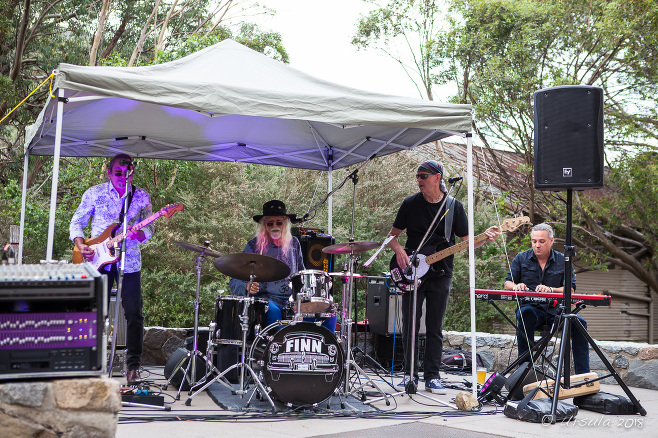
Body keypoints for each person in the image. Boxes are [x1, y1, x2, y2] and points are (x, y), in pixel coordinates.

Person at [387, 160, 500, 394]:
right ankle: (409, 375)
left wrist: (485, 238)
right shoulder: (410, 204)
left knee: (435, 327)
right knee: (410, 324)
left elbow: (467, 243)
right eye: (417, 175)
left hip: (441, 273)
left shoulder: (453, 206)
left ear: (437, 178)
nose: (419, 180)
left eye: (424, 176)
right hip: (411, 272)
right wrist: (399, 251)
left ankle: (432, 376)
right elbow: (392, 237)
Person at [70, 153, 153, 385]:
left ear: (132, 173)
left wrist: (141, 234)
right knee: (95, 313)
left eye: (126, 174)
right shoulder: (94, 193)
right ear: (109, 172)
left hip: (130, 262)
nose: (122, 177)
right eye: (117, 173)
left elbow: (151, 228)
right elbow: (76, 222)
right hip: (97, 259)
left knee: (134, 314)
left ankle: (133, 369)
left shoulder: (141, 196)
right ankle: (89, 365)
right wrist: (80, 245)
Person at [229, 200, 337, 333]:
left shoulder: (294, 243)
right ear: (264, 225)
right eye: (270, 223)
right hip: (267, 301)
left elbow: (301, 274)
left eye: (279, 222)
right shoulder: (253, 246)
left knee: (329, 315)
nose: (275, 226)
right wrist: (246, 286)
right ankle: (280, 350)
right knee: (273, 311)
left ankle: (323, 351)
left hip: (293, 302)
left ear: (285, 224)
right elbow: (233, 281)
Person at [504, 223, 590, 374]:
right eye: (534, 241)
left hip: (555, 312)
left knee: (579, 323)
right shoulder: (521, 258)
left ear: (551, 241)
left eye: (541, 241)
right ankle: (523, 373)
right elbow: (507, 283)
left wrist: (551, 290)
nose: (537, 245)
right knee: (525, 315)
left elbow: (570, 289)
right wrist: (516, 286)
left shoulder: (563, 260)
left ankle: (583, 375)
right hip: (531, 310)